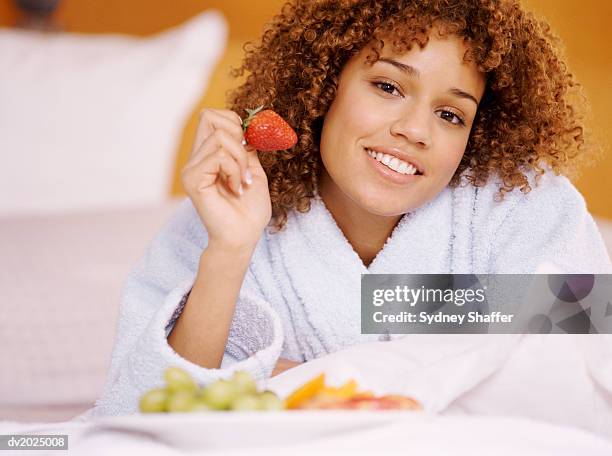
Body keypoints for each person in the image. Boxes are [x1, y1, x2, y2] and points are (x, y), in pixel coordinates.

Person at [90, 0, 612, 416]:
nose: (414, 130)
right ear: (323, 85)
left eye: (451, 114)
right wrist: (230, 250)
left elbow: (571, 363)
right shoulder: (225, 209)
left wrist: (300, 370)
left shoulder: (520, 200)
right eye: (387, 86)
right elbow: (146, 410)